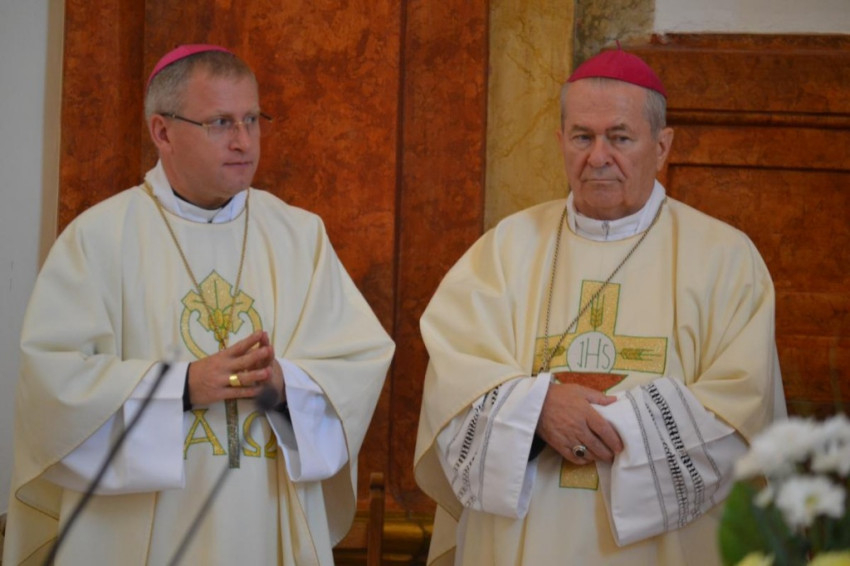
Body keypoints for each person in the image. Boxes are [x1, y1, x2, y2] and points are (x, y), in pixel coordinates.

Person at [3, 44, 394, 566]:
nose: (243, 141)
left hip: (263, 519)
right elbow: (54, 391)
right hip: (141, 534)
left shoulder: (300, 237)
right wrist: (185, 386)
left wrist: (285, 385)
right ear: (162, 132)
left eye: (252, 119)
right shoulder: (98, 240)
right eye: (220, 123)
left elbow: (357, 363)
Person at [414, 47, 786, 565]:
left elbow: (741, 408)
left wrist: (605, 426)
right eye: (582, 137)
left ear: (662, 146)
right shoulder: (503, 250)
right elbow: (454, 383)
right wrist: (538, 410)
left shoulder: (725, 259)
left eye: (620, 137)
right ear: (560, 141)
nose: (598, 157)